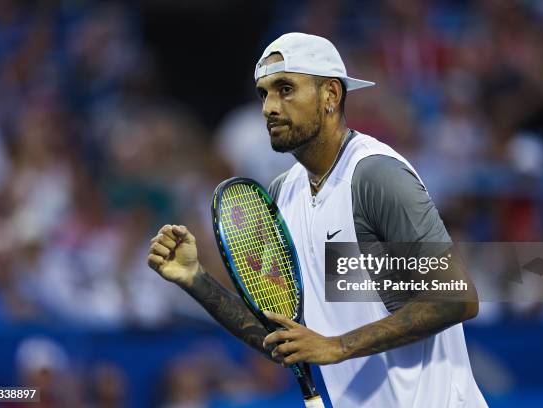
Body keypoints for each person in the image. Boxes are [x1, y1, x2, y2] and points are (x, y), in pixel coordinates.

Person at [148, 32, 488, 407]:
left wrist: (336, 346)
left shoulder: (375, 175)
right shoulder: (282, 194)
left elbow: (458, 299)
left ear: (330, 95)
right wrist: (196, 280)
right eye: (264, 93)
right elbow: (281, 339)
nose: (269, 107)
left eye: (285, 89)